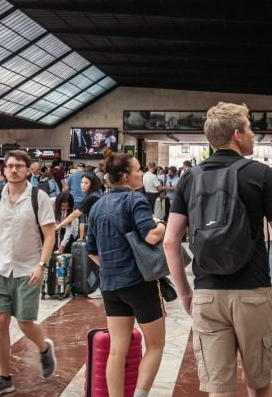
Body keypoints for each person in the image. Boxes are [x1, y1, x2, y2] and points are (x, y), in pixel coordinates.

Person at [163, 102, 272, 397]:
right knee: (258, 383)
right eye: (249, 128)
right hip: (252, 292)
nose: (252, 134)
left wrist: (185, 293)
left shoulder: (190, 178)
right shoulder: (259, 174)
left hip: (207, 293)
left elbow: (171, 241)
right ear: (237, 134)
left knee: (219, 389)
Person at [86, 149, 167, 397]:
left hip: (110, 286)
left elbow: (91, 250)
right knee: (155, 346)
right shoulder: (135, 200)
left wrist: (112, 268)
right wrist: (164, 224)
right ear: (125, 175)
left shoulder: (98, 206)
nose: (142, 173)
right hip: (139, 284)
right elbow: (151, 235)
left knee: (116, 351)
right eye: (138, 170)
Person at [0, 150, 58, 397]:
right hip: (2, 269)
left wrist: (41, 265)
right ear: (4, 170)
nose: (14, 170)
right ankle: (4, 378)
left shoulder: (39, 197)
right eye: (10, 166)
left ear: (27, 170)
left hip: (28, 270)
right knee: (0, 320)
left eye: (19, 166)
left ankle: (44, 349)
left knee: (24, 323)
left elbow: (50, 235)